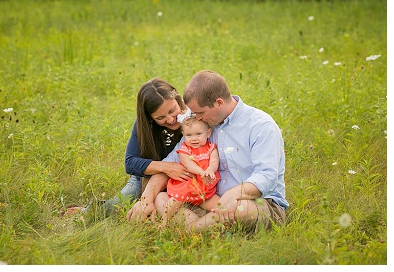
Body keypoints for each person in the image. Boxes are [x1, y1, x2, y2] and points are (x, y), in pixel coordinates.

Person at [152, 70, 288, 231]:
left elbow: (267, 176)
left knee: (241, 209)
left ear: (219, 103)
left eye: (200, 113)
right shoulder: (202, 126)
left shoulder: (261, 125)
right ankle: (205, 228)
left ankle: (192, 229)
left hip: (255, 202)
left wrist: (233, 195)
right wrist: (145, 199)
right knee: (162, 198)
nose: (197, 118)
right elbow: (170, 164)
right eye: (194, 113)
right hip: (209, 201)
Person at [64, 78, 191, 218]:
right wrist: (165, 167)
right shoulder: (144, 126)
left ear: (177, 99)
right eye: (160, 118)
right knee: (123, 201)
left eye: (172, 110)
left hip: (181, 176)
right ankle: (88, 212)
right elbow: (130, 162)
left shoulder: (191, 116)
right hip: (147, 177)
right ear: (150, 117)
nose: (171, 119)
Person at [157, 110, 219, 228]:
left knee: (220, 205)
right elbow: (188, 164)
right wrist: (202, 172)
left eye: (198, 134)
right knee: (175, 201)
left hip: (205, 190)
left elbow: (214, 161)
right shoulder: (184, 149)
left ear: (208, 133)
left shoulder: (211, 148)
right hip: (187, 186)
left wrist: (210, 169)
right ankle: (164, 222)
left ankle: (219, 224)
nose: (193, 139)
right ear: (183, 135)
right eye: (189, 135)